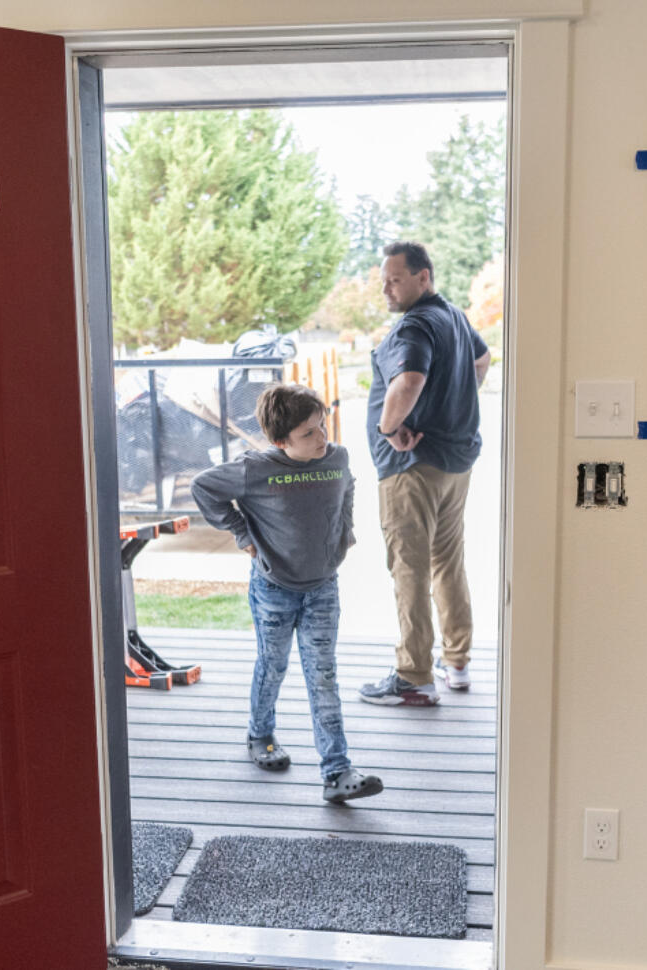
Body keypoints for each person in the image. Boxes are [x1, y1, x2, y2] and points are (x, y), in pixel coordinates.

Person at [190, 383, 384, 802]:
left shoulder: (336, 459)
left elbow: (348, 487)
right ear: (280, 441)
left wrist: (344, 529)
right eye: (308, 434)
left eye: (322, 426)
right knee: (273, 665)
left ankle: (336, 771)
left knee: (323, 674)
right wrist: (243, 532)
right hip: (274, 589)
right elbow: (203, 488)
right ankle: (260, 734)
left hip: (322, 589)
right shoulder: (254, 470)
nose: (322, 438)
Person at [358, 241, 491, 707]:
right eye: (384, 282)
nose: (387, 290)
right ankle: (456, 663)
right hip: (454, 464)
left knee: (408, 568)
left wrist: (388, 427)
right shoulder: (452, 316)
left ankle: (413, 674)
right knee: (447, 562)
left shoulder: (414, 324)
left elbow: (409, 380)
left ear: (423, 277)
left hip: (412, 468)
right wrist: (456, 399)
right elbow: (481, 359)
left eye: (395, 280)